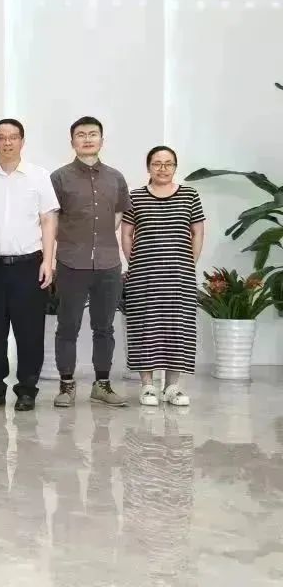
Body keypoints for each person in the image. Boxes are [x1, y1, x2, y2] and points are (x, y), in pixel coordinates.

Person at [0, 118, 59, 412]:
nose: (7, 142)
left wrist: (48, 261)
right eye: (1, 137)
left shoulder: (39, 176)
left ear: (22, 141)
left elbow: (48, 220)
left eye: (13, 137)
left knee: (29, 332)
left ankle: (27, 389)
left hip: (29, 265)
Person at [50, 116, 131, 408]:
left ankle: (102, 385)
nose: (87, 139)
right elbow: (50, 219)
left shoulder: (115, 177)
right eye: (81, 135)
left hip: (108, 263)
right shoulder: (59, 178)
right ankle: (66, 385)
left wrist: (103, 240)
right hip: (71, 262)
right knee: (67, 327)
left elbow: (120, 215)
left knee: (104, 327)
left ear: (101, 140)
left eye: (93, 134)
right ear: (72, 141)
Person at [121, 146, 205, 407]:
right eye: (157, 163)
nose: (163, 168)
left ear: (175, 167)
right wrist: (135, 263)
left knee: (178, 327)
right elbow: (126, 234)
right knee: (144, 327)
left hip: (180, 275)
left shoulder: (190, 195)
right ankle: (147, 386)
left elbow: (197, 232)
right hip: (143, 276)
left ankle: (172, 387)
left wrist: (189, 263)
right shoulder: (135, 197)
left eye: (168, 163)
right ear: (148, 167)